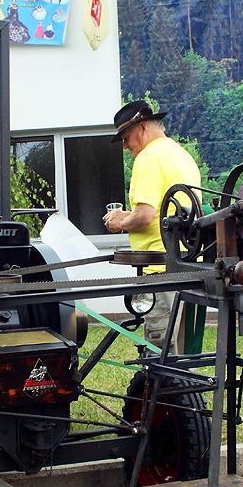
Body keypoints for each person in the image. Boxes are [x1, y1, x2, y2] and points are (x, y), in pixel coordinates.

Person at [102, 100, 200, 352]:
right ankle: (183, 391)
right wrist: (128, 214)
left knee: (159, 353)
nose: (125, 146)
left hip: (159, 268)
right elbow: (166, 208)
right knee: (181, 352)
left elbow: (146, 215)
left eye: (126, 137)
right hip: (187, 264)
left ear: (142, 127)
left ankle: (162, 391)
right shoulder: (180, 154)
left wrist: (120, 222)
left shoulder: (148, 157)